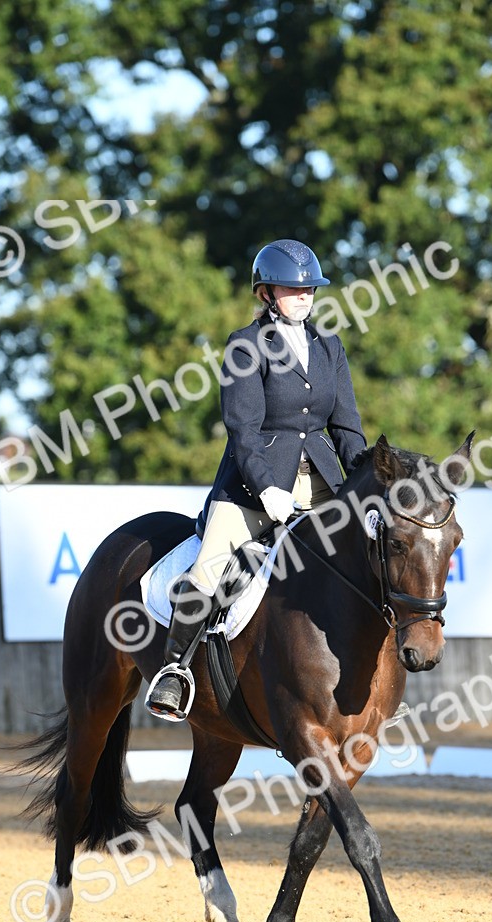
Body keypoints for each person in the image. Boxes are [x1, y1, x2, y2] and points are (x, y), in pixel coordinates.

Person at [145, 238, 367, 719]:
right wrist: (268, 489)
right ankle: (175, 669)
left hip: (323, 480)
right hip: (253, 484)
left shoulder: (329, 346)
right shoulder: (245, 346)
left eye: (311, 288)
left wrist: (367, 478)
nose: (306, 295)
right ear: (266, 292)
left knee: (371, 552)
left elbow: (346, 425)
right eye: (294, 288)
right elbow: (243, 430)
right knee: (209, 566)